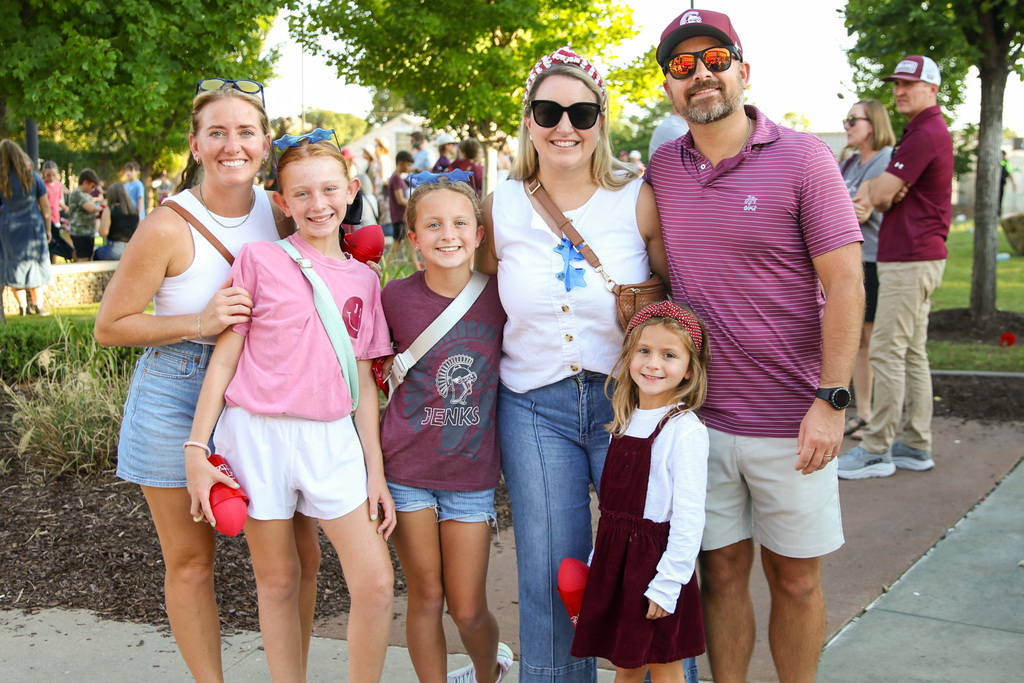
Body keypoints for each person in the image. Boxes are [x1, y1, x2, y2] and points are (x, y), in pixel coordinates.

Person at [646, 10, 864, 682]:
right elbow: (651, 266)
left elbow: (846, 283)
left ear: (744, 70)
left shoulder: (805, 157)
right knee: (718, 573)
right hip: (700, 421)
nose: (700, 74)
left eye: (715, 59)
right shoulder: (663, 168)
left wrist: (831, 400)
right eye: (682, 66)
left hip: (793, 420)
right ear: (669, 87)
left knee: (795, 580)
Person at [94, 78, 322, 683]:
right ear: (195, 146)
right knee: (192, 563)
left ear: (265, 144)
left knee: (299, 558)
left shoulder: (282, 212)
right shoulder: (167, 226)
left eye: (245, 132)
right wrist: (199, 321)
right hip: (176, 391)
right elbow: (110, 326)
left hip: (263, 390)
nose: (232, 145)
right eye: (216, 133)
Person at [476, 45, 673, 683]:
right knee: (550, 570)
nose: (565, 126)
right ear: (528, 120)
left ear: (601, 122)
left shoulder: (637, 199)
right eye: (548, 111)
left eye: (581, 113)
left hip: (627, 405)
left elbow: (673, 299)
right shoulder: (499, 206)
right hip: (535, 406)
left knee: (647, 562)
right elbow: (473, 295)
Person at [184, 129, 395, 683]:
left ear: (351, 190)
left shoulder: (364, 281)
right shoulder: (259, 259)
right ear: (281, 201)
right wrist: (196, 448)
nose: (317, 204)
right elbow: (225, 360)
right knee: (277, 582)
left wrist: (375, 471)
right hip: (257, 436)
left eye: (329, 190)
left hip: (332, 440)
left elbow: (364, 383)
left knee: (375, 583)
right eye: (301, 193)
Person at [380, 174, 511, 683]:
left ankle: (487, 673)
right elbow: (370, 373)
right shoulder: (393, 298)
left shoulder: (502, 297)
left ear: (479, 235)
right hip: (406, 470)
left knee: (468, 608)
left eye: (459, 223)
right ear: (413, 238)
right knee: (426, 597)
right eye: (433, 225)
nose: (447, 234)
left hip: (470, 477)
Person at [571, 301, 710, 682]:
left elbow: (688, 519)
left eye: (669, 355)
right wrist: (599, 562)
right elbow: (612, 512)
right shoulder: (625, 421)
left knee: (664, 665)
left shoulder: (685, 430)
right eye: (644, 351)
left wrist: (668, 584)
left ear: (689, 369)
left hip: (656, 567)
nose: (653, 364)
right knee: (626, 665)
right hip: (618, 563)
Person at [838, 55, 953, 480]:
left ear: (932, 89)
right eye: (897, 84)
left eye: (909, 84)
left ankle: (876, 449)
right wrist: (881, 187)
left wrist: (880, 189)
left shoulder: (925, 133)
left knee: (885, 350)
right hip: (913, 255)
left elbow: (881, 197)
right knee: (911, 352)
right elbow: (882, 192)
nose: (900, 91)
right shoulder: (920, 131)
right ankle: (916, 445)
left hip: (911, 257)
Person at [839, 99, 895, 440]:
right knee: (857, 340)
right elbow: (842, 206)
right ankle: (863, 413)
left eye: (852, 120)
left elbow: (861, 210)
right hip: (848, 260)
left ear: (872, 124)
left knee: (873, 340)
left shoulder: (886, 159)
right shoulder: (848, 163)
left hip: (873, 258)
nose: (846, 126)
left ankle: (878, 419)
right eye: (845, 120)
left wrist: (842, 206)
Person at [0, 139, 53, 316]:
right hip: (33, 226)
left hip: (9, 227)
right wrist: (48, 229)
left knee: (14, 264)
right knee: (35, 263)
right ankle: (38, 305)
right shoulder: (33, 177)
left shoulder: (3, 180)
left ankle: (22, 307)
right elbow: (45, 206)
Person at [95, 181, 140, 261]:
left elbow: (103, 232)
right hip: (132, 250)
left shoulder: (110, 209)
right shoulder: (135, 211)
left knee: (96, 253)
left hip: (114, 249)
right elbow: (139, 231)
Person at [67, 168, 103, 261]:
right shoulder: (77, 194)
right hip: (81, 232)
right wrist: (103, 209)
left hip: (86, 232)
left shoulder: (84, 194)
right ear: (85, 182)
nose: (93, 189)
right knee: (84, 259)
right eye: (92, 186)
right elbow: (91, 208)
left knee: (81, 255)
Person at [999, 150, 1016, 214]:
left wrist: (1013, 184)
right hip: (996, 184)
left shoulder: (1006, 163)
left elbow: (1009, 173)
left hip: (1001, 183)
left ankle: (999, 212)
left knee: (1000, 198)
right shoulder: (997, 162)